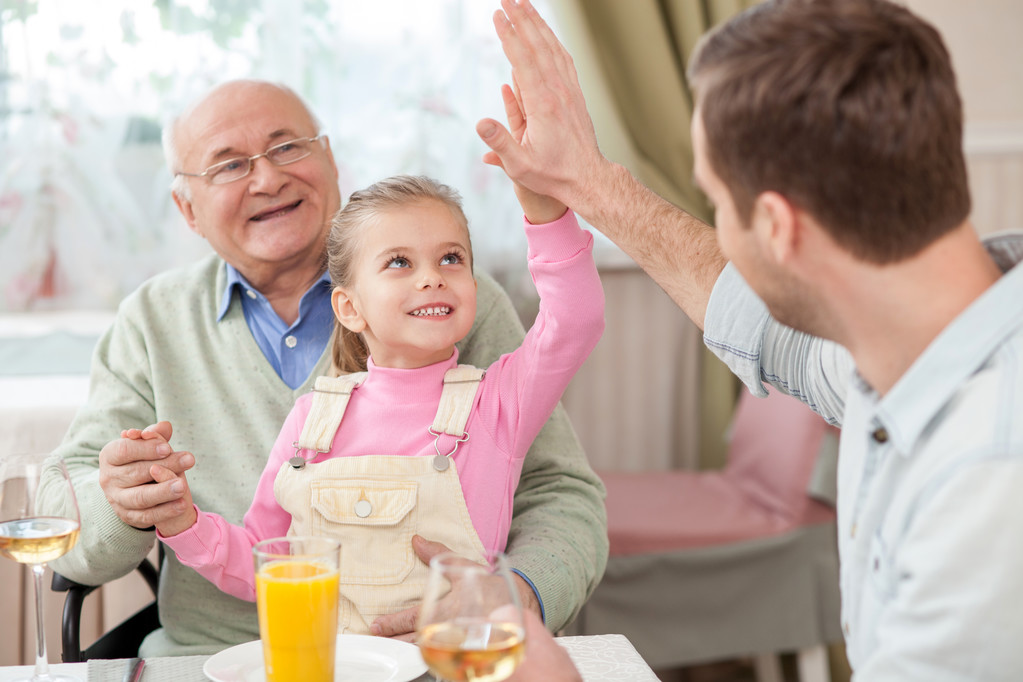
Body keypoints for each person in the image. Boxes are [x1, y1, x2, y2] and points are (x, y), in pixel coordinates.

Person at [481, 0, 1023, 679]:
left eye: (714, 199)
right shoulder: (904, 344)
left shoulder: (991, 475)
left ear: (777, 227)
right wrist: (586, 181)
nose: (720, 231)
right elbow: (750, 317)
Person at [40, 79, 609, 656]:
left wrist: (513, 597)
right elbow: (64, 504)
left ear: (331, 160)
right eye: (230, 165)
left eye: (287, 147)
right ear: (186, 208)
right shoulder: (153, 323)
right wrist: (129, 503)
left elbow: (559, 488)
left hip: (446, 652)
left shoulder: (456, 308)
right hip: (217, 658)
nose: (267, 178)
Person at [129, 173, 603, 635]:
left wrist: (547, 215)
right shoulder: (311, 421)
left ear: (474, 290)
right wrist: (183, 522)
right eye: (400, 262)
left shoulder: (499, 404)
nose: (432, 278)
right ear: (349, 308)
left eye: (451, 258)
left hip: (456, 667)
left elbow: (575, 318)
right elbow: (262, 559)